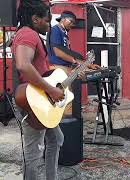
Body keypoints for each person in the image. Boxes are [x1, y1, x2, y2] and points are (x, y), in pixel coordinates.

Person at [12, 1, 65, 179]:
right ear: (35, 19)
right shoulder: (27, 34)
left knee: (56, 139)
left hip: (42, 99)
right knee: (34, 154)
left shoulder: (30, 34)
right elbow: (23, 65)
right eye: (47, 21)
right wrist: (51, 89)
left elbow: (39, 69)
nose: (50, 26)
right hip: (34, 102)